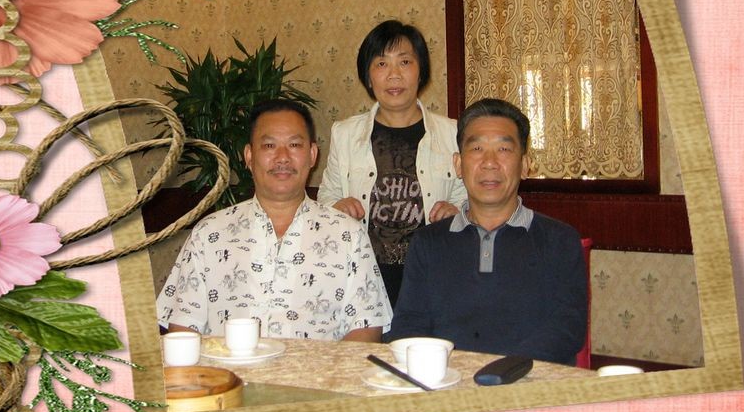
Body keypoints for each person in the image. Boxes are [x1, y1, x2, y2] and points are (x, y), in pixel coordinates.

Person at [157, 99, 392, 342]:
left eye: (294, 145)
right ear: (249, 156)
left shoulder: (348, 235)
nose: (282, 157)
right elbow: (183, 326)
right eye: (269, 145)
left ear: (312, 155)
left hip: (315, 368)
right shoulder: (209, 234)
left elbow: (367, 326)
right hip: (228, 367)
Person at [387, 98, 587, 365]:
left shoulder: (559, 241)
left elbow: (567, 329)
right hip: (445, 381)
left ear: (525, 165)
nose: (489, 162)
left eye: (503, 149)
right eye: (477, 148)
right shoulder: (428, 242)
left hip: (528, 382)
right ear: (458, 165)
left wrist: (502, 372)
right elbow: (409, 325)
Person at [318, 20, 466, 307]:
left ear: (421, 71)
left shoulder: (453, 133)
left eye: (405, 62)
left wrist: (458, 211)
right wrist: (337, 207)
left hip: (433, 277)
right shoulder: (345, 134)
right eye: (382, 64)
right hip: (363, 278)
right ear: (368, 76)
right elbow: (327, 196)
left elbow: (470, 199)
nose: (394, 75)